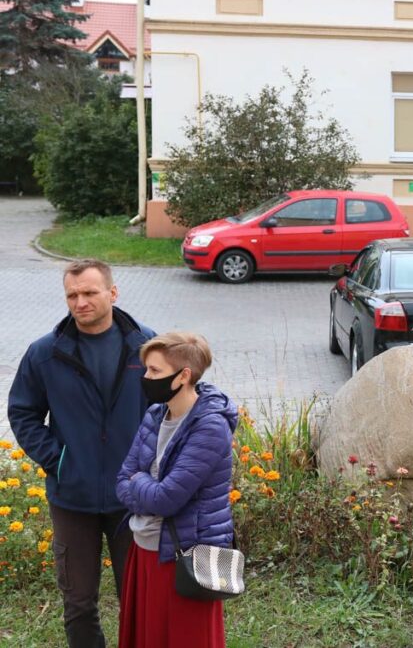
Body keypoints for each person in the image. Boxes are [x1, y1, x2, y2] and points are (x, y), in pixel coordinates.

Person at [8, 259, 156, 647]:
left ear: (112, 292)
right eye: (72, 295)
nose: (80, 302)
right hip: (72, 496)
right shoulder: (46, 353)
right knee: (77, 602)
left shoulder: (148, 347)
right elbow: (22, 412)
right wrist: (58, 461)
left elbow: (171, 411)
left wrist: (152, 466)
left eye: (90, 292)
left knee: (138, 599)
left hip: (134, 498)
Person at [116, 332, 238, 648]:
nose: (146, 377)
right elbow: (121, 480)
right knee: (149, 637)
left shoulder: (210, 427)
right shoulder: (156, 413)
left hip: (182, 557)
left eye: (155, 371)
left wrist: (139, 483)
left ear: (183, 375)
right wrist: (143, 486)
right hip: (145, 548)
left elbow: (166, 499)